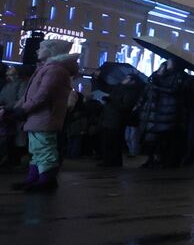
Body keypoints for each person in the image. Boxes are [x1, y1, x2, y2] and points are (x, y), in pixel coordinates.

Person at [6, 40, 80, 191]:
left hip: (45, 117)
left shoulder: (55, 70)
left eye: (42, 48)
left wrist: (23, 109)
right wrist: (16, 108)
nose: (37, 51)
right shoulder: (48, 69)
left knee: (45, 149)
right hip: (38, 117)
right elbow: (30, 95)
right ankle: (35, 178)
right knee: (37, 149)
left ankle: (46, 181)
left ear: (52, 51)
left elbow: (43, 95)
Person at [97, 73, 142, 168]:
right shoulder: (119, 87)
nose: (124, 79)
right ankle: (110, 161)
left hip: (117, 119)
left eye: (127, 78)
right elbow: (106, 87)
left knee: (112, 141)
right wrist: (98, 78)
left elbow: (125, 106)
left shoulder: (131, 92)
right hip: (109, 117)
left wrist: (111, 101)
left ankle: (111, 162)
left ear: (133, 81)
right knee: (108, 141)